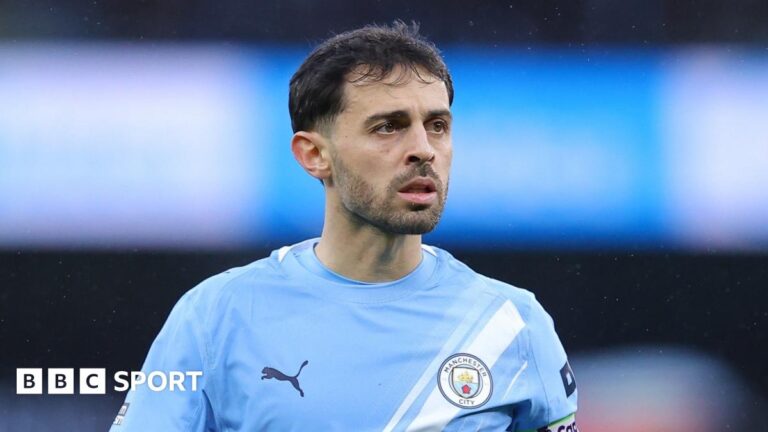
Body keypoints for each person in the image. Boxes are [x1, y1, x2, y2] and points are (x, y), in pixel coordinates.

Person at [110, 21, 578, 432]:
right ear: (314, 154)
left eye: (437, 125)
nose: (423, 149)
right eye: (388, 126)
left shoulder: (514, 324)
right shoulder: (215, 316)